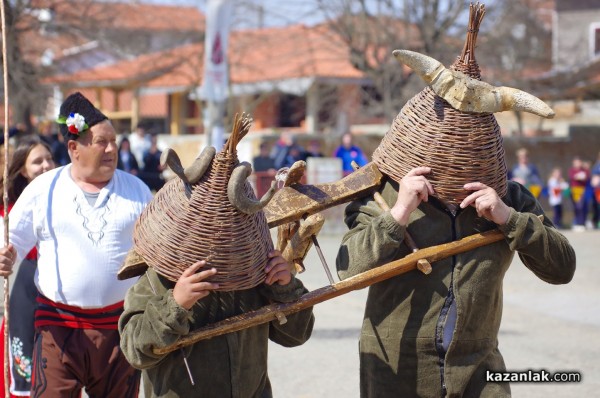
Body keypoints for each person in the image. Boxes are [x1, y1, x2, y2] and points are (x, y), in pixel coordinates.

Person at [336, 164, 576, 397]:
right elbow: (349, 269)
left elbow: (562, 268)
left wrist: (509, 219)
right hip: (398, 369)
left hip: (480, 369)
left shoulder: (509, 196)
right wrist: (398, 213)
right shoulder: (385, 192)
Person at [0, 92, 153, 398]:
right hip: (56, 328)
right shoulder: (43, 189)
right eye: (101, 142)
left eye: (113, 140)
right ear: (74, 148)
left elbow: (160, 250)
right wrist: (4, 258)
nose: (112, 149)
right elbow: (11, 242)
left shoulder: (136, 190)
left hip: (119, 328)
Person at [118, 249, 315, 397]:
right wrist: (174, 305)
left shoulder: (254, 268)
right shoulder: (157, 278)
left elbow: (297, 334)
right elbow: (135, 352)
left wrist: (286, 288)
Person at [0, 136, 55, 397]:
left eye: (49, 159)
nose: (46, 165)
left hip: (55, 293)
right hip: (23, 292)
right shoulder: (9, 210)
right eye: (37, 161)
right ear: (23, 169)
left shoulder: (64, 199)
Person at [568, 156, 590, 231]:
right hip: (574, 191)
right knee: (575, 207)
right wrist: (578, 177)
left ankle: (581, 223)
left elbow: (586, 177)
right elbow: (572, 177)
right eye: (575, 163)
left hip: (581, 191)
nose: (577, 164)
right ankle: (576, 222)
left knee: (580, 207)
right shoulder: (571, 170)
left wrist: (579, 176)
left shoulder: (584, 170)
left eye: (578, 162)